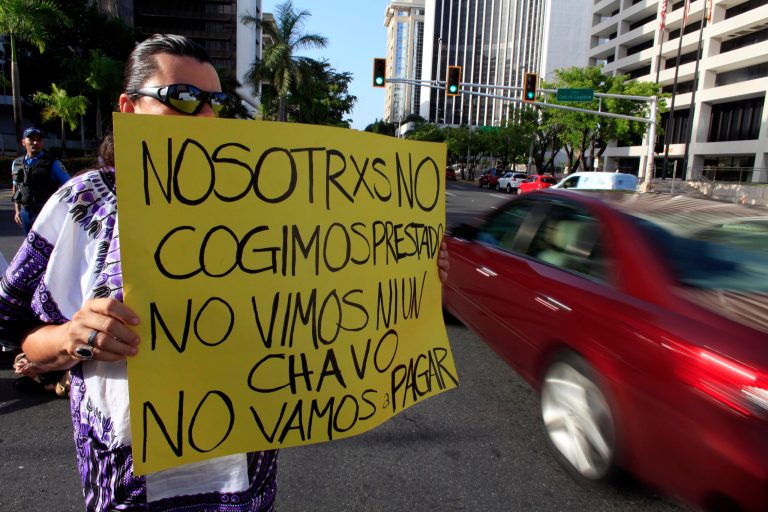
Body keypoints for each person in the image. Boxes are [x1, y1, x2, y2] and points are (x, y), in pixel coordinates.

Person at [0, 34, 450, 511]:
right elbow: (17, 329)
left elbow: (322, 294)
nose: (207, 116)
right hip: (132, 485)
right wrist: (72, 335)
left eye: (215, 102)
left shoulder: (267, 199)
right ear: (129, 108)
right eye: (184, 99)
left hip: (244, 482)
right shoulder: (86, 203)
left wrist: (411, 272)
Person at [11, 127, 70, 234]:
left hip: (45, 212)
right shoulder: (17, 163)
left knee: (46, 247)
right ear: (23, 142)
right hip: (25, 213)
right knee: (29, 247)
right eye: (31, 139)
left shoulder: (53, 163)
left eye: (39, 140)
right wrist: (17, 210)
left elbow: (69, 186)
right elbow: (16, 187)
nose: (35, 142)